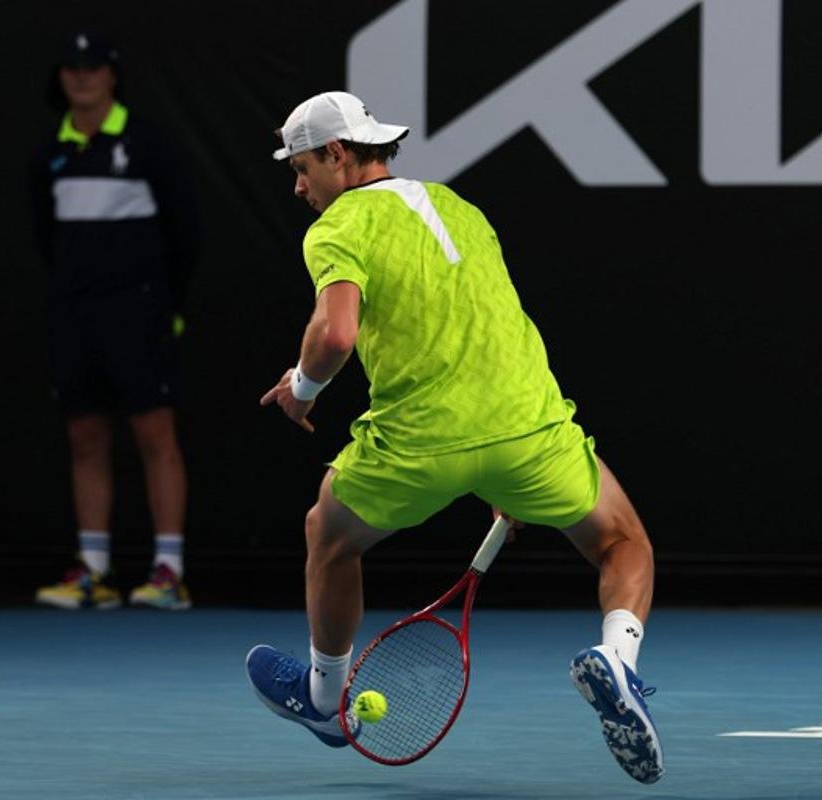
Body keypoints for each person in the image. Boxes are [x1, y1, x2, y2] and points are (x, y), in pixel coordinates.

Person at [244, 91, 662, 783]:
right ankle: (619, 662)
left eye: (300, 167)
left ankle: (323, 700)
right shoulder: (461, 208)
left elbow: (337, 333)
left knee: (330, 533)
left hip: (421, 441)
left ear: (337, 155)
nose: (297, 185)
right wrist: (504, 476)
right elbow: (491, 318)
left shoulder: (338, 224)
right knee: (623, 541)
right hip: (529, 427)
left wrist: (303, 387)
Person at [30, 29, 200, 611]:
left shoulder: (148, 142)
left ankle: (168, 571)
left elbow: (184, 233)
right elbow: (44, 239)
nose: (82, 77)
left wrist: (163, 304)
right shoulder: (49, 152)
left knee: (155, 434)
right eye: (72, 68)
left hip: (140, 311)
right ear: (61, 77)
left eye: (94, 67)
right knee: (84, 436)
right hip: (75, 315)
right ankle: (94, 572)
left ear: (112, 76)